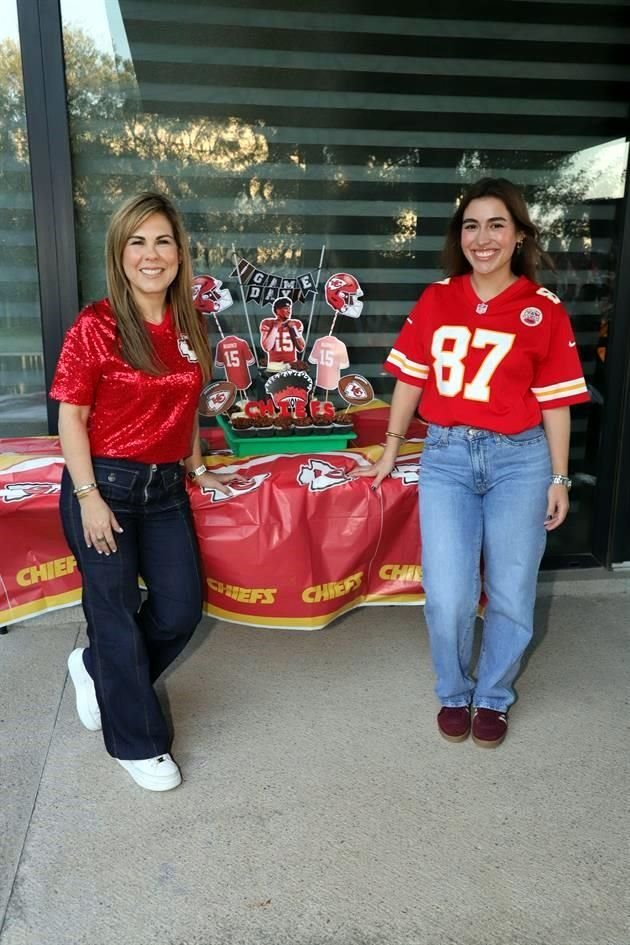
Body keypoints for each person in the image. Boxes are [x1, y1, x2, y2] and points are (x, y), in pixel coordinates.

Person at [352, 177, 590, 748]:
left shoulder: (543, 309)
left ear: (519, 236)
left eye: (497, 225)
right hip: (448, 457)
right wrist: (389, 449)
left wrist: (560, 477)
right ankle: (454, 689)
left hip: (521, 462)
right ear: (459, 237)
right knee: (450, 590)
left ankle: (494, 696)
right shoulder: (438, 299)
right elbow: (411, 380)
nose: (482, 238)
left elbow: (555, 402)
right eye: (471, 226)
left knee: (510, 588)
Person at [50, 191, 237, 791]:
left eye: (163, 241)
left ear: (180, 254)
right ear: (120, 252)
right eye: (138, 241)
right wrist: (88, 497)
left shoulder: (191, 326)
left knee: (181, 608)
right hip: (102, 483)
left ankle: (96, 670)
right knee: (116, 616)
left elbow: (182, 409)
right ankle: (138, 742)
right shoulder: (96, 326)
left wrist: (198, 464)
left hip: (164, 488)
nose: (151, 254)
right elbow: (71, 417)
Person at [259, 296, 305, 371]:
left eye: (290, 308)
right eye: (286, 308)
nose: (289, 311)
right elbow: (267, 347)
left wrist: (294, 329)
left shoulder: (296, 323)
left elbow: (301, 348)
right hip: (274, 366)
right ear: (277, 310)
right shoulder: (267, 323)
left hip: (292, 365)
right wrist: (275, 328)